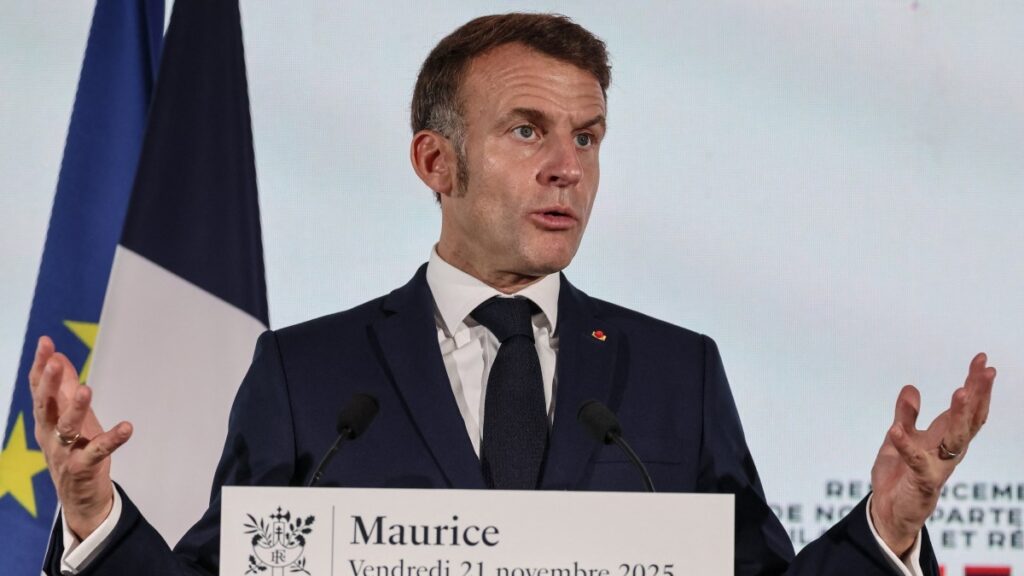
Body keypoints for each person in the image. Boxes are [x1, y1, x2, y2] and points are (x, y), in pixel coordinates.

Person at [30, 13, 995, 576]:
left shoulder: (674, 374)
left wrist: (889, 526)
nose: (568, 167)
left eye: (588, 136)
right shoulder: (310, 376)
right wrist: (93, 517)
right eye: (528, 130)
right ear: (434, 160)